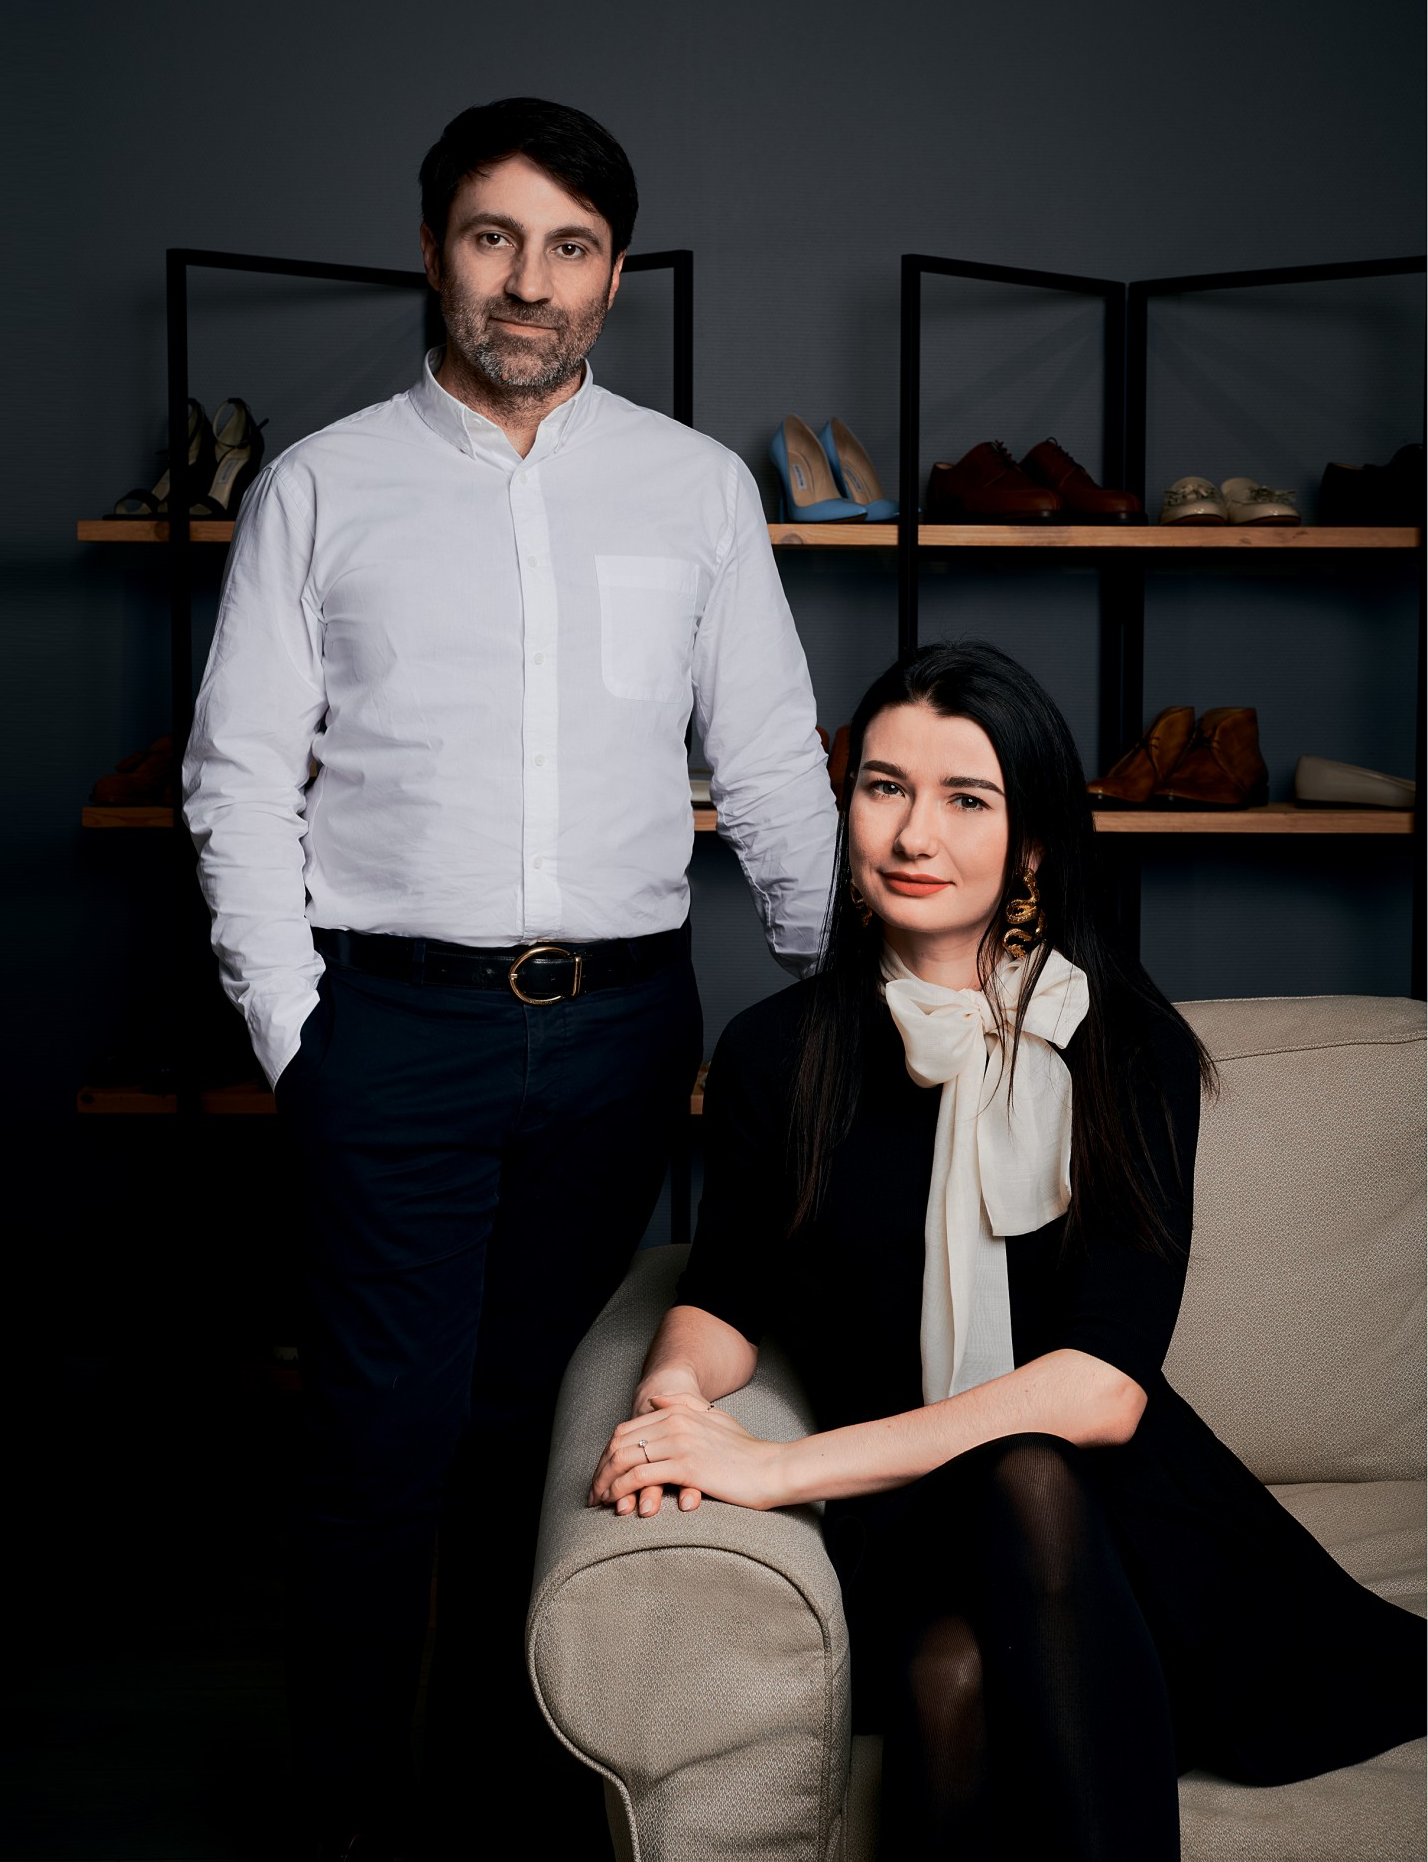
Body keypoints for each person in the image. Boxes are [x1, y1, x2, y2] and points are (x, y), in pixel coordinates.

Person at [182, 96, 839, 1859]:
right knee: (376, 1441)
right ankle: (347, 1814)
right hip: (386, 1027)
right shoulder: (319, 488)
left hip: (622, 1033)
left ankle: (500, 1798)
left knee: (539, 1430)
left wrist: (837, 993)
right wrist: (298, 1035)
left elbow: (771, 762)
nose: (528, 283)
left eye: (569, 248)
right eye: (494, 238)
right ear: (433, 252)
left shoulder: (696, 490)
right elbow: (236, 778)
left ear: (614, 275)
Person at [590, 638, 1425, 1860]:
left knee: (1009, 1530)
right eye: (884, 786)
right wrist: (672, 1391)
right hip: (896, 1510)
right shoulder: (779, 1050)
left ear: (1030, 840)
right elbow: (725, 1288)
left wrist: (779, 1466)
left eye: (964, 798)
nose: (912, 833)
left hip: (1113, 1512)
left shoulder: (1124, 1046)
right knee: (946, 1665)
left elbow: (1101, 1387)